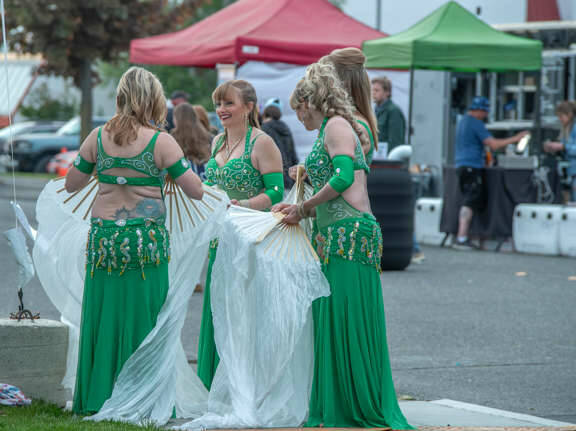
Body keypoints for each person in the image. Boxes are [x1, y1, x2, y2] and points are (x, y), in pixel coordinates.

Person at [274, 62, 413, 429]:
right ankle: (339, 401)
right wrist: (300, 186)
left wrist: (303, 207)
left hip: (348, 235)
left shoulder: (336, 125)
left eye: (297, 110)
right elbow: (334, 174)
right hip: (334, 236)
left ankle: (354, 403)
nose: (297, 119)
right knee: (333, 320)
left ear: (308, 101)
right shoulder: (329, 130)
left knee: (346, 319)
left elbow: (344, 175)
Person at [65, 67, 204, 414]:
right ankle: (143, 398)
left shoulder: (97, 138)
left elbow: (71, 184)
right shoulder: (162, 142)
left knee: (105, 316)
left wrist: (106, 171)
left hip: (105, 242)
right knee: (146, 321)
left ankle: (100, 395)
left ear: (121, 98)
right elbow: (196, 191)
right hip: (146, 246)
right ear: (153, 100)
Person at [197, 79, 284, 390]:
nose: (221, 109)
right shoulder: (217, 142)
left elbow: (276, 191)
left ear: (249, 107)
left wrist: (244, 205)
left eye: (228, 103)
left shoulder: (262, 142)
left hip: (250, 237)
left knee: (245, 311)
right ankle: (215, 384)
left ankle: (247, 386)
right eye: (219, 103)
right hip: (220, 238)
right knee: (219, 305)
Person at [453, 96, 528, 250]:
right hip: (471, 166)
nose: (486, 115)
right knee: (470, 201)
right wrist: (515, 138)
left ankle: (465, 236)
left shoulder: (463, 122)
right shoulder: (476, 123)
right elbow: (493, 144)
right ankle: (461, 237)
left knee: (469, 200)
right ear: (480, 111)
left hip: (461, 165)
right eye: (485, 112)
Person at [320, 47, 378, 164]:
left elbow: (345, 177)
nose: (318, 88)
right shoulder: (346, 123)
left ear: (338, 85)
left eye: (323, 81)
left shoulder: (353, 127)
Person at [261, 100, 298, 189]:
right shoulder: (286, 129)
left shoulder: (263, 129)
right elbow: (294, 157)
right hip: (290, 179)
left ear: (264, 113)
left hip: (273, 180)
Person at [544, 101, 576, 202]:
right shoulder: (566, 130)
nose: (560, 120)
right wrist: (553, 148)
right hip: (569, 171)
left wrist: (563, 147)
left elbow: (569, 147)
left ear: (569, 115)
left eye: (561, 116)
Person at [172, 102, 212, 180]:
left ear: (177, 118)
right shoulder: (208, 136)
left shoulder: (173, 138)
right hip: (206, 178)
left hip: (186, 181)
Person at [371, 76, 406, 153]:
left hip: (388, 161)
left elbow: (396, 142)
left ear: (387, 92)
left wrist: (390, 162)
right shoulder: (376, 111)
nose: (373, 93)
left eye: (377, 90)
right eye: (372, 90)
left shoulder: (393, 111)